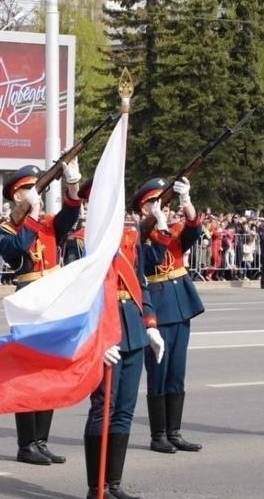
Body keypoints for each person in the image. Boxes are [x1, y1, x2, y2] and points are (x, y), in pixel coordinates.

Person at [0, 160, 81, 465]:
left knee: (49, 373)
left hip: (53, 302)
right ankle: (25, 444)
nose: (34, 193)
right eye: (28, 189)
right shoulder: (4, 228)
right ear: (16, 197)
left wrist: (72, 185)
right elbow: (16, 250)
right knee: (28, 375)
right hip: (29, 302)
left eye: (36, 187)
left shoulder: (47, 223)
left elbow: (71, 216)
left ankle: (41, 441)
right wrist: (30, 216)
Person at [80, 181, 164, 499]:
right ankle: (96, 487)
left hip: (131, 329)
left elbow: (139, 284)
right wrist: (100, 337)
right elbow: (83, 297)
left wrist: (150, 325)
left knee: (125, 409)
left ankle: (113, 484)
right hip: (106, 333)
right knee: (104, 408)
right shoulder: (80, 243)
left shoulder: (129, 238)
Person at [135, 176, 203, 454]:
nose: (159, 207)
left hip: (180, 306)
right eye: (153, 203)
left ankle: (174, 432)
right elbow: (149, 261)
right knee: (159, 374)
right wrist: (160, 228)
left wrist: (187, 203)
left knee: (177, 373)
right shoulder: (139, 236)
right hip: (158, 308)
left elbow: (194, 231)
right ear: (143, 209)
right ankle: (158, 434)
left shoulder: (170, 229)